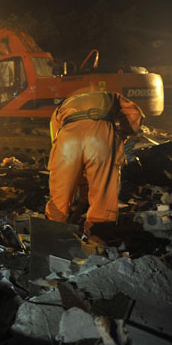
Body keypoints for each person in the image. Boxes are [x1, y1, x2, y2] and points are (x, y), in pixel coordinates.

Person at [45, 91, 144, 242]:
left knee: (61, 191)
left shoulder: (61, 108)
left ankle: (52, 233)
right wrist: (122, 135)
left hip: (68, 139)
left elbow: (55, 139)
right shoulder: (113, 96)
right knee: (103, 191)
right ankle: (97, 238)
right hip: (100, 136)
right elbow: (135, 114)